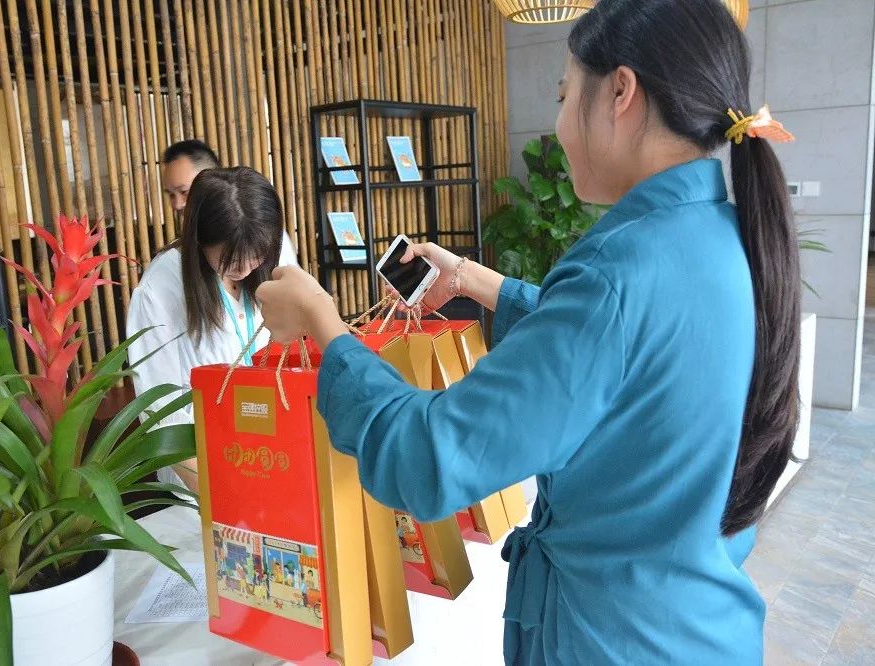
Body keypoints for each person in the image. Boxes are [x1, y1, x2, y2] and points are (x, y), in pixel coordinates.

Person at [256, 0, 800, 662]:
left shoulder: (616, 273)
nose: (560, 125)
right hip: (699, 629)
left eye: (565, 95)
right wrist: (474, 280)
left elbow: (429, 457)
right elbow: (627, 353)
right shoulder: (724, 237)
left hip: (609, 641)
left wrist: (323, 323)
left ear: (621, 93)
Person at [126, 167, 289, 491]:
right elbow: (162, 416)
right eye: (231, 258)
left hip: (268, 459)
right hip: (202, 475)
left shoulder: (265, 263)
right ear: (200, 238)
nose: (246, 268)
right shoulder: (160, 288)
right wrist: (220, 497)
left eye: (257, 255)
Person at [161, 139, 298, 266]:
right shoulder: (174, 259)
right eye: (171, 194)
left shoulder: (265, 233)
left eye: (184, 192)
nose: (176, 204)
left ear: (212, 181)